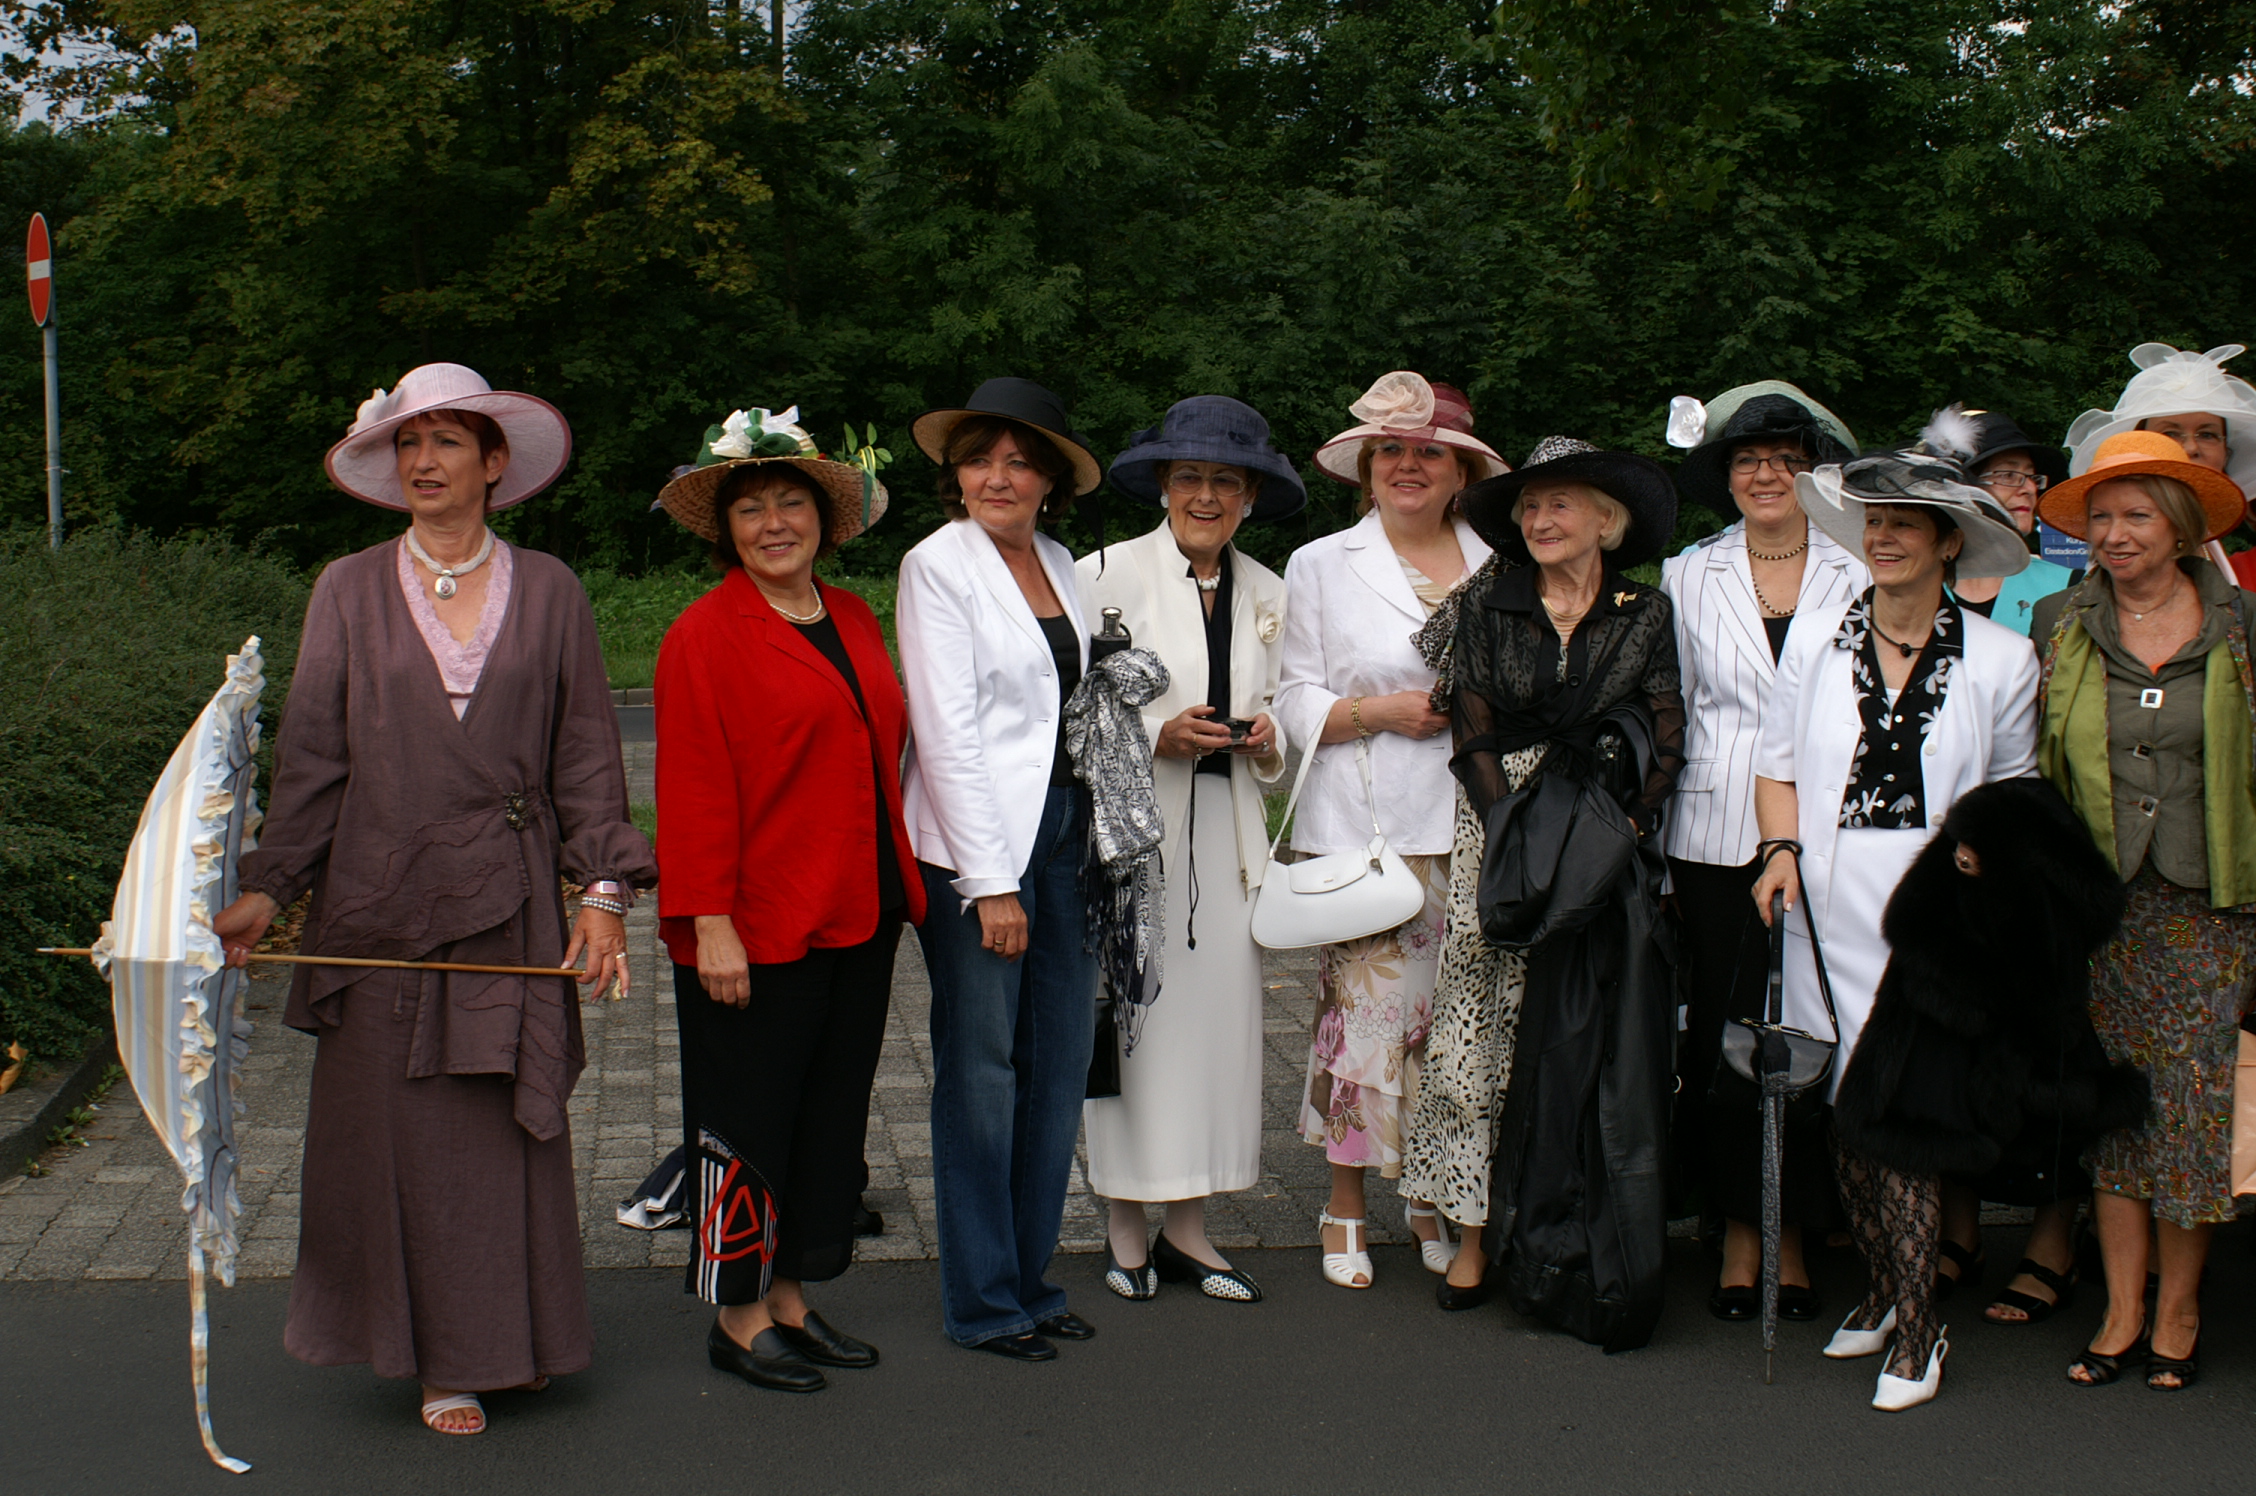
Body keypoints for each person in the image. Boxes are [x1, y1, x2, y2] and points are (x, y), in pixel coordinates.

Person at [213, 363, 656, 1435]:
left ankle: (517, 1338)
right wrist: (270, 887)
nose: (424, 461)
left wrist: (602, 893)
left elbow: (586, 755)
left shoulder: (551, 587)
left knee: (502, 1128)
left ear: (493, 462)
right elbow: (313, 759)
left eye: (448, 441)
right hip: (380, 904)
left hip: (510, 901)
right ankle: (438, 1359)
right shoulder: (346, 587)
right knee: (399, 1135)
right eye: (408, 443)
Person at [1752, 419, 2039, 1411]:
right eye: (1874, 522)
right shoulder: (1815, 645)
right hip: (1825, 909)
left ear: (1948, 541)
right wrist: (1778, 851)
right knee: (1845, 1111)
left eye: (1905, 524)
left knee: (1904, 1114)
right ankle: (1882, 1288)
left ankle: (1920, 1330)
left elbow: (2014, 794)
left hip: (1932, 919)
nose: (1882, 538)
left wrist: (1984, 864)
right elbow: (1776, 767)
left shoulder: (2003, 658)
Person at [652, 407, 922, 1394]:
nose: (773, 523)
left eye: (790, 503)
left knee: (827, 1115)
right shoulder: (703, 635)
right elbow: (690, 784)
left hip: (858, 908)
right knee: (746, 1119)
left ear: (823, 517)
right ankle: (738, 1313)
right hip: (755, 924)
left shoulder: (851, 615)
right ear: (726, 531)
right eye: (751, 509)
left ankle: (795, 1295)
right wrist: (709, 921)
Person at [1405, 436, 1684, 1348]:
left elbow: (1666, 728)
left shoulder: (1646, 610)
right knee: (1479, 1027)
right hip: (1504, 822)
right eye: (1529, 506)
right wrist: (1513, 834)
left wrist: (1626, 828)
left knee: (1580, 1031)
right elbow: (1473, 726)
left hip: (1601, 829)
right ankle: (1473, 1236)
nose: (1539, 519)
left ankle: (1562, 1232)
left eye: (1559, 503)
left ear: (1606, 519)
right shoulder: (1491, 601)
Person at [2029, 429, 2256, 1392]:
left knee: (2193, 1102)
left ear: (2183, 527)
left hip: (2213, 902)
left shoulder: (2242, 626)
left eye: (2136, 517)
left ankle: (2180, 1307)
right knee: (2115, 1100)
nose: (2115, 535)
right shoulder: (2059, 622)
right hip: (2099, 904)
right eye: (2101, 518)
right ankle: (2121, 1308)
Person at [1277, 371, 1502, 1289]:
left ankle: (1430, 1196)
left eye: (1430, 452)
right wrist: (1378, 713)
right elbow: (1292, 697)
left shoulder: (1501, 561)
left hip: (1478, 826)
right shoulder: (1322, 563)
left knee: (1452, 1026)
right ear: (1368, 466)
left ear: (1461, 471)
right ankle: (1345, 1206)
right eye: (1393, 450)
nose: (1410, 465)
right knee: (1366, 1026)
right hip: (1369, 830)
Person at [1076, 396, 1303, 1303]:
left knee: (1215, 1037)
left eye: (1225, 481)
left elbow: (1283, 707)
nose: (1206, 496)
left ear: (1250, 496)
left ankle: (1189, 1229)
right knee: (1136, 1025)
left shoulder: (1270, 592)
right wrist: (1156, 738)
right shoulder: (1101, 576)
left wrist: (1268, 738)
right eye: (1189, 478)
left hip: (1229, 839)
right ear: (1163, 487)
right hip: (1136, 839)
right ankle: (1125, 1228)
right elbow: (1071, 714)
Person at [896, 377, 1104, 1360]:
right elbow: (947, 732)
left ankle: (1031, 1276)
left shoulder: (1060, 563)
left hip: (1066, 832)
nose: (998, 476)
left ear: (1050, 481)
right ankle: (983, 1299)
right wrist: (991, 883)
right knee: (983, 1071)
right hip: (980, 849)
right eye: (980, 459)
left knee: (1057, 1064)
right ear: (957, 475)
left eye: (1021, 462)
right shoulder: (936, 565)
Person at [1832, 776, 2147, 1386]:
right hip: (1869, 904)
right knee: (1854, 1120)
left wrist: (1986, 846)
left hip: (1971, 936)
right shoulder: (1952, 866)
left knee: (1910, 1127)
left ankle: (1919, 1333)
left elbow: (2024, 779)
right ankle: (1888, 1293)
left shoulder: (2023, 850)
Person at [1660, 382, 1863, 1324]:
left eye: (1787, 459)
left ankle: (1798, 1231)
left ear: (1816, 473)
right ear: (1727, 476)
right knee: (1725, 1033)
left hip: (1828, 831)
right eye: (1748, 460)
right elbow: (1670, 705)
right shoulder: (1686, 573)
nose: (1768, 474)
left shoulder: (1856, 568)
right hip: (1712, 836)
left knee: (1810, 1030)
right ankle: (1740, 1229)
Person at [2065, 343, 2256, 585]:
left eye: (2207, 434)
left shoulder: (2223, 557)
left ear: (2226, 454)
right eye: (2170, 434)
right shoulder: (2112, 557)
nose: (2191, 448)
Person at [1949, 409, 2077, 636]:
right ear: (1963, 487)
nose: (2030, 489)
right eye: (2008, 475)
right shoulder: (1913, 584)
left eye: (2032, 477)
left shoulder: (2070, 586)